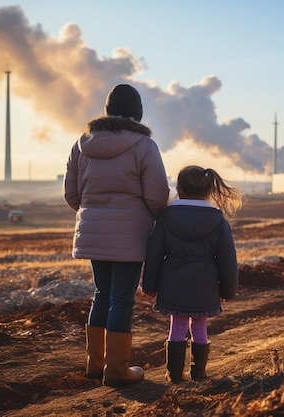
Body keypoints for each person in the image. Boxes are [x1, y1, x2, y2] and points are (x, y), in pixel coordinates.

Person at [64, 84, 169, 387]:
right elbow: (158, 195)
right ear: (137, 114)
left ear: (107, 111)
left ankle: (95, 365)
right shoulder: (144, 145)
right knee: (122, 299)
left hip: (93, 234)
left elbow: (72, 194)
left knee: (102, 294)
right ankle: (118, 370)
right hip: (130, 236)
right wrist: (152, 216)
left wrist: (94, 214)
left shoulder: (81, 144)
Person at [142, 165, 242, 383]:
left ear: (179, 190)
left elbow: (154, 253)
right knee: (199, 325)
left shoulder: (166, 218)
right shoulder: (218, 221)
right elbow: (227, 258)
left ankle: (174, 375)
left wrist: (149, 285)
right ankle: (199, 373)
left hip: (173, 282)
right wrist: (228, 289)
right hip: (205, 285)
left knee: (177, 324)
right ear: (208, 192)